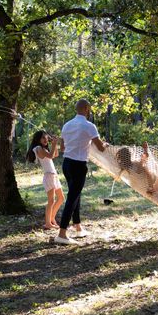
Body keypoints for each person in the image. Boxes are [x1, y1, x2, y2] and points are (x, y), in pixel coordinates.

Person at [54, 99, 107, 245]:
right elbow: (101, 148)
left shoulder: (66, 125)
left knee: (75, 193)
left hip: (66, 164)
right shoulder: (89, 126)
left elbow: (63, 148)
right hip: (78, 164)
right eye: (89, 109)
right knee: (72, 197)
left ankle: (78, 226)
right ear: (86, 109)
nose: (89, 111)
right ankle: (62, 233)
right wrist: (105, 145)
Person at [27, 130, 64, 230]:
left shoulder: (44, 149)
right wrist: (54, 143)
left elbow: (55, 155)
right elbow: (51, 155)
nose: (45, 139)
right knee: (51, 201)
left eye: (47, 137)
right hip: (48, 176)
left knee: (61, 198)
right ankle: (48, 223)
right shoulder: (38, 148)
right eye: (43, 138)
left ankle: (52, 219)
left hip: (54, 176)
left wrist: (54, 144)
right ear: (38, 139)